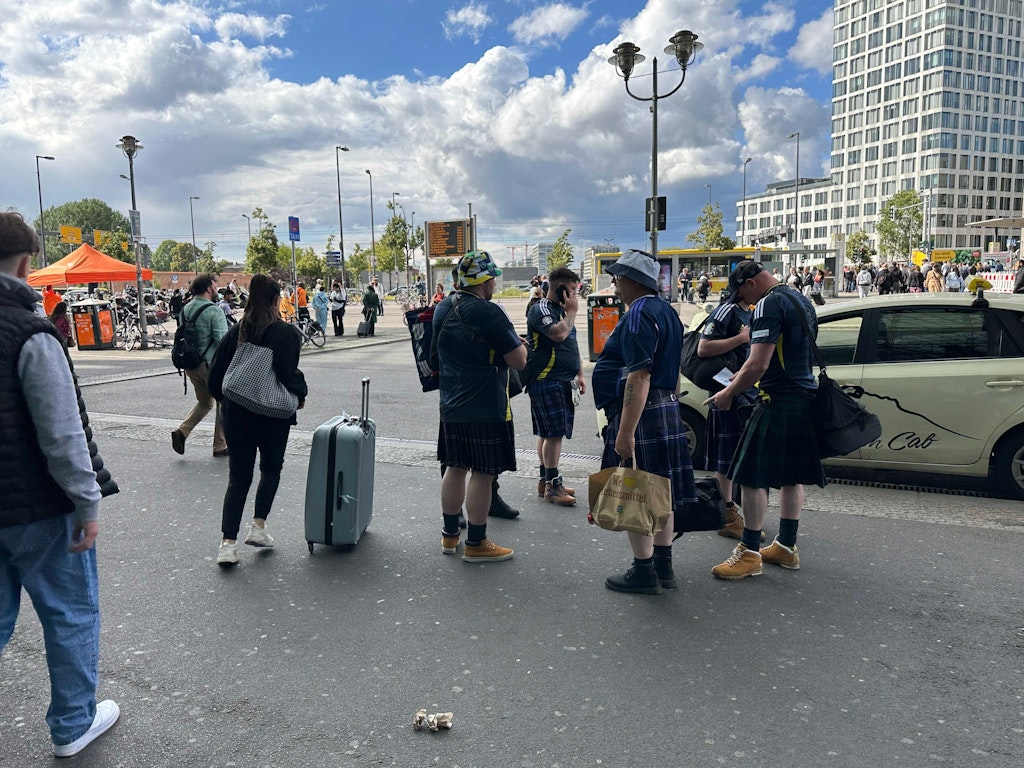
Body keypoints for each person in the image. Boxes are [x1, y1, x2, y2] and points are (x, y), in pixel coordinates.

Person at [0, 211, 121, 757]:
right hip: (38, 507)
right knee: (70, 612)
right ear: (27, 264)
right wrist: (87, 501)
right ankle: (73, 723)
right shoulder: (30, 332)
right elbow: (62, 432)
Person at [707, 260, 825, 580]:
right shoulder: (801, 299)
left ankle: (748, 553)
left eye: (743, 293)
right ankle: (786, 546)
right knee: (791, 476)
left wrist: (728, 393)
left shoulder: (767, 304)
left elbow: (757, 364)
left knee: (751, 476)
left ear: (750, 283)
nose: (745, 301)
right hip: (803, 397)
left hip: (775, 401)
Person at [592, 249, 696, 595]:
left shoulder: (638, 313)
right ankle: (664, 567)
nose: (615, 284)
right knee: (660, 492)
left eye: (619, 278)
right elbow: (674, 371)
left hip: (643, 411)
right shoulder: (667, 311)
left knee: (636, 493)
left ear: (634, 281)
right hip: (665, 408)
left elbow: (639, 375)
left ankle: (644, 571)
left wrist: (625, 432)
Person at [432, 251, 527, 562]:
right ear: (484, 280)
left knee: (454, 468)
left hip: (451, 404)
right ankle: (476, 542)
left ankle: (449, 537)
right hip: (486, 405)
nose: (495, 283)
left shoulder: (442, 308)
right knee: (483, 474)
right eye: (493, 278)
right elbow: (519, 360)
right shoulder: (489, 312)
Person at [207, 274, 307, 566]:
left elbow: (216, 377)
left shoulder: (237, 332)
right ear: (277, 301)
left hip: (236, 415)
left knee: (238, 478)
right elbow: (288, 375)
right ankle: (259, 526)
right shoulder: (286, 334)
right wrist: (300, 394)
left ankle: (227, 544)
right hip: (273, 417)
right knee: (271, 469)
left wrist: (229, 402)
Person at [696, 293, 760, 540]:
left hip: (745, 395)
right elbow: (704, 348)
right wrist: (740, 338)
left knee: (738, 459)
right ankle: (726, 515)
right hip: (728, 396)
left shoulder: (751, 310)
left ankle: (734, 514)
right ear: (748, 285)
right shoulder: (727, 311)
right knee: (726, 461)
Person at [525, 266, 585, 506]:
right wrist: (572, 313)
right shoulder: (541, 310)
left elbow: (571, 344)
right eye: (571, 290)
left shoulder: (562, 311)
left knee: (548, 433)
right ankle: (553, 485)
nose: (574, 296)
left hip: (562, 380)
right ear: (559, 288)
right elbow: (559, 335)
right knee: (553, 434)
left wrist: (579, 373)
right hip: (547, 379)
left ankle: (546, 480)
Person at [170, 274, 229, 457]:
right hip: (210, 365)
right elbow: (222, 342)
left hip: (190, 365)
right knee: (224, 402)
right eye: (215, 285)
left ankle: (182, 431)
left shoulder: (186, 309)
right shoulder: (214, 311)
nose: (217, 289)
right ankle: (220, 445)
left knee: (204, 402)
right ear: (209, 288)